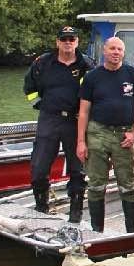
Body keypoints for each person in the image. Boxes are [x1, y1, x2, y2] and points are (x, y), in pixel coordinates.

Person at [23, 25, 94, 222]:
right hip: (49, 119)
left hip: (75, 121)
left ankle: (75, 215)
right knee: (38, 168)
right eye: (64, 39)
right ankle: (41, 208)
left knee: (77, 170)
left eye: (72, 39)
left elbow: (95, 93)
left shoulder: (87, 65)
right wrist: (41, 105)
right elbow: (29, 88)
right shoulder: (42, 63)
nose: (68, 43)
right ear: (57, 42)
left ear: (77, 42)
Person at [77, 36, 134, 233]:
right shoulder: (92, 77)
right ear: (104, 52)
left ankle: (132, 232)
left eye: (120, 49)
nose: (116, 52)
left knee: (128, 184)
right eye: (112, 49)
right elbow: (83, 111)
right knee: (96, 184)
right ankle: (96, 231)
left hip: (124, 135)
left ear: (123, 53)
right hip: (97, 132)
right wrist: (81, 142)